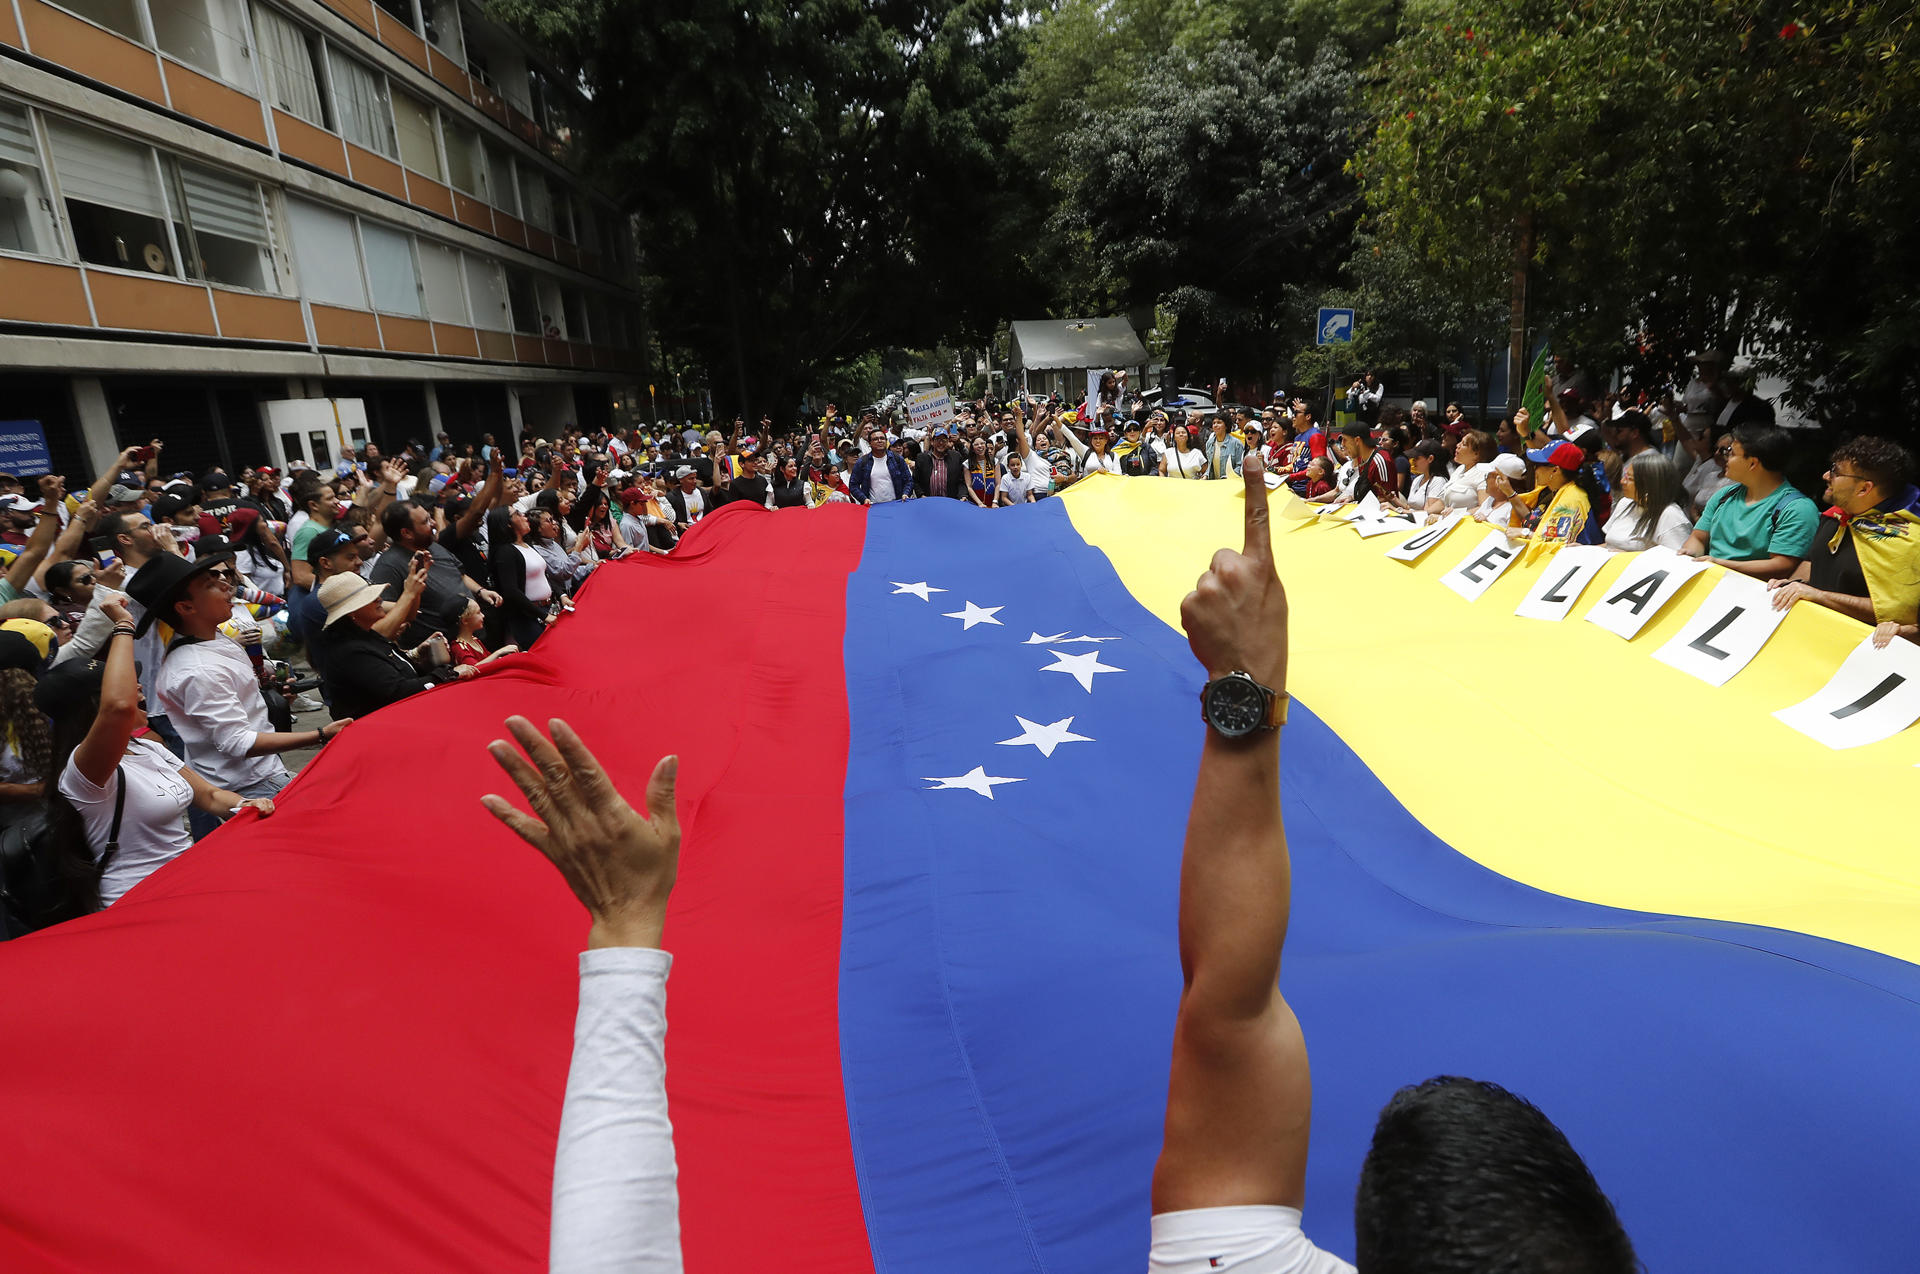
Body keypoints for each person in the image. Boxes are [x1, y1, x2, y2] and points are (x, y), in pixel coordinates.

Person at [43, 598, 280, 908]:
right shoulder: (83, 770)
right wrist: (123, 625)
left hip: (187, 884)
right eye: (129, 684)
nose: (139, 688)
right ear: (95, 708)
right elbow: (119, 707)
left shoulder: (149, 748)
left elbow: (209, 796)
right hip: (138, 903)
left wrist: (248, 805)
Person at [133, 551, 349, 840]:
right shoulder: (198, 669)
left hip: (261, 774)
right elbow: (237, 742)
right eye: (210, 584)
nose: (226, 584)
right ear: (186, 607)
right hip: (254, 786)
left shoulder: (215, 638)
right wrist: (321, 734)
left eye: (222, 577)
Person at [1769, 435, 1920, 627]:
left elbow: (1896, 614)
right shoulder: (1834, 516)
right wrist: (1790, 586)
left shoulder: (1909, 541)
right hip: (1806, 628)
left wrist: (1819, 596)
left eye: (1836, 472)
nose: (1826, 476)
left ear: (1864, 489)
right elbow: (1812, 561)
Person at [314, 573, 467, 720]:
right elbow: (397, 691)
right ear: (351, 613)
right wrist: (447, 674)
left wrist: (421, 657)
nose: (379, 599)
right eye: (371, 598)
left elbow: (396, 673)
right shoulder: (351, 651)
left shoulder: (366, 636)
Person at [1681, 424, 1819, 579]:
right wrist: (1689, 553)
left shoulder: (1797, 509)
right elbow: (1698, 538)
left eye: (1731, 453)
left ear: (1753, 463)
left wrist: (1721, 565)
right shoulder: (1724, 496)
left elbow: (1782, 565)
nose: (1725, 457)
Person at [370, 501, 503, 647]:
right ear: (406, 533)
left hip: (474, 636)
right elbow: (381, 606)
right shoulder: (388, 565)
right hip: (444, 648)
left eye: (430, 517)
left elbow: (460, 574)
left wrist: (480, 591)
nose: (433, 523)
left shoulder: (433, 545)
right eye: (425, 521)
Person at [1507, 440, 1600, 560]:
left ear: (1555, 470)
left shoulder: (1572, 500)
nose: (1535, 470)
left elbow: (1558, 546)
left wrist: (1525, 533)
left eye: (1538, 465)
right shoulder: (1549, 490)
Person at [1601, 452, 1694, 552]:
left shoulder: (1670, 516)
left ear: (1648, 485)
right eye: (1625, 476)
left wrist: (1627, 558)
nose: (1622, 481)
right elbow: (1610, 545)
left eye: (1629, 479)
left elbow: (1677, 561)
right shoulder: (1624, 503)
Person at [487, 506, 550, 649]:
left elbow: (543, 574)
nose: (524, 516)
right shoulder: (505, 552)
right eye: (517, 514)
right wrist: (543, 616)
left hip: (545, 609)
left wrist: (562, 595)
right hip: (527, 618)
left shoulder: (526, 545)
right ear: (508, 523)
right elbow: (511, 591)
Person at [1426, 430, 1495, 518]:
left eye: (1464, 444)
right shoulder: (1459, 469)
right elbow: (1442, 503)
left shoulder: (1483, 474)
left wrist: (1457, 513)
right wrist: (1420, 514)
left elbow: (1484, 508)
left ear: (1476, 454)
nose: (1457, 445)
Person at [850, 428, 912, 504]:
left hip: (897, 504)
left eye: (882, 438)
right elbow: (853, 485)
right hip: (873, 507)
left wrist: (905, 494)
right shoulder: (862, 462)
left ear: (886, 441)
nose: (879, 441)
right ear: (870, 443)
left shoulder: (897, 459)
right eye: (875, 439)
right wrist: (864, 499)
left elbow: (908, 480)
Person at [914, 427, 968, 497]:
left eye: (944, 440)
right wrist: (921, 495)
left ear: (948, 442)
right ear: (932, 442)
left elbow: (961, 481)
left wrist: (962, 495)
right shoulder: (922, 458)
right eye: (938, 440)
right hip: (927, 501)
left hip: (950, 502)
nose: (941, 443)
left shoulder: (956, 457)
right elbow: (916, 481)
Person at [1404, 442, 1451, 512]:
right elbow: (1410, 507)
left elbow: (1428, 513)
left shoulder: (1439, 481)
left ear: (1430, 458)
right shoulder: (1417, 479)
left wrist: (1399, 511)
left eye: (1416, 458)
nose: (1413, 461)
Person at [963, 437, 998, 507]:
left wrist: (995, 501)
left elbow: (998, 484)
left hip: (992, 504)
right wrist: (979, 503)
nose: (980, 446)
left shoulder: (994, 461)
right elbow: (969, 486)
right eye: (976, 444)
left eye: (982, 443)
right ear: (972, 448)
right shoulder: (967, 464)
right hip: (975, 505)